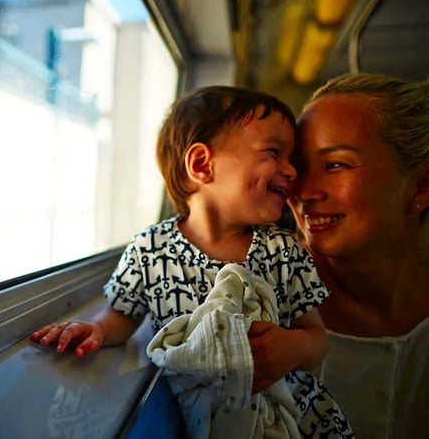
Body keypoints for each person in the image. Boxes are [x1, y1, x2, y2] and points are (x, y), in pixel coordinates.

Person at [31, 86, 352, 437]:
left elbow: (317, 338)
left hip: (287, 415)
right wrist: (95, 330)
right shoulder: (150, 249)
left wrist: (292, 347)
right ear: (202, 164)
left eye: (292, 159)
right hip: (195, 417)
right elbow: (120, 317)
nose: (291, 171)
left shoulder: (284, 251)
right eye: (274, 152)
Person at [287, 73, 429, 439]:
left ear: (421, 186)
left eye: (336, 165)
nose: (303, 191)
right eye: (298, 168)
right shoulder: (272, 308)